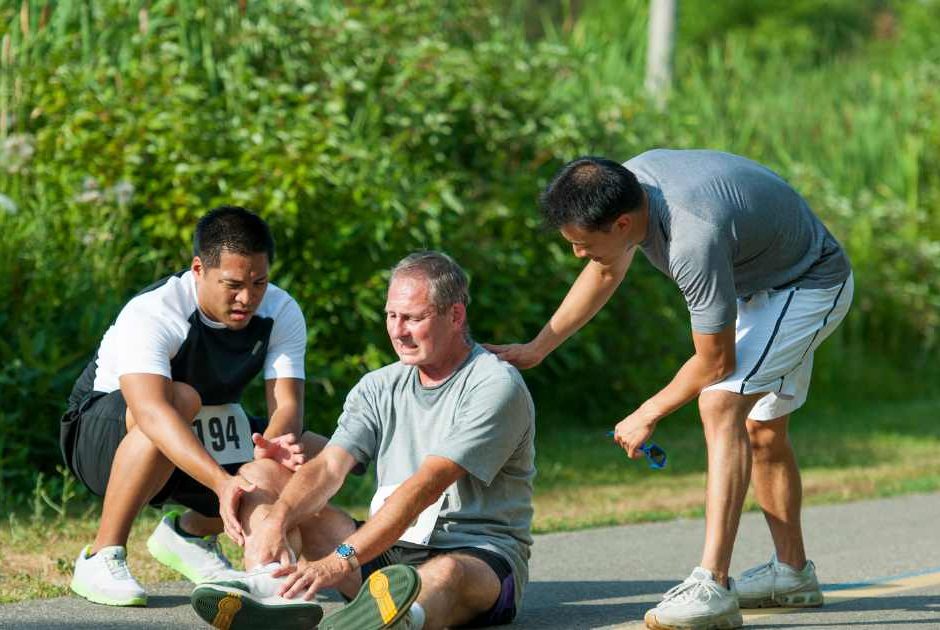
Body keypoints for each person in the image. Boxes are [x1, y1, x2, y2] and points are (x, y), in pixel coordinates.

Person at [485, 150, 853, 630]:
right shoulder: (629, 185)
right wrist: (538, 347)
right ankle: (792, 576)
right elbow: (603, 268)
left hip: (807, 283)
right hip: (758, 281)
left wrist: (647, 411)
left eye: (581, 242)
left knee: (721, 403)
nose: (577, 252)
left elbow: (716, 360)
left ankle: (712, 586)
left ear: (621, 224)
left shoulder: (691, 236)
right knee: (762, 430)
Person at [191, 251, 536, 630]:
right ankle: (271, 588)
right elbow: (328, 467)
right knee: (262, 473)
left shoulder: (494, 384)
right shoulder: (378, 386)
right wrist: (277, 520)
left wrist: (341, 559)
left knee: (447, 572)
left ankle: (404, 619)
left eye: (413, 318)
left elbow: (425, 486)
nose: (398, 330)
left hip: (478, 556)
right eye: (392, 315)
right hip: (386, 552)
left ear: (455, 315)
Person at [60, 206, 325, 606]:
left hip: (197, 430)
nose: (247, 297)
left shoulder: (281, 310)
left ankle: (190, 536)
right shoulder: (155, 310)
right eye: (233, 284)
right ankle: (102, 554)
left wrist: (270, 455)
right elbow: (151, 412)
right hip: (104, 437)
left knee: (314, 449)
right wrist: (222, 482)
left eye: (259, 282)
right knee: (180, 400)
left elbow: (286, 406)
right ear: (198, 269)